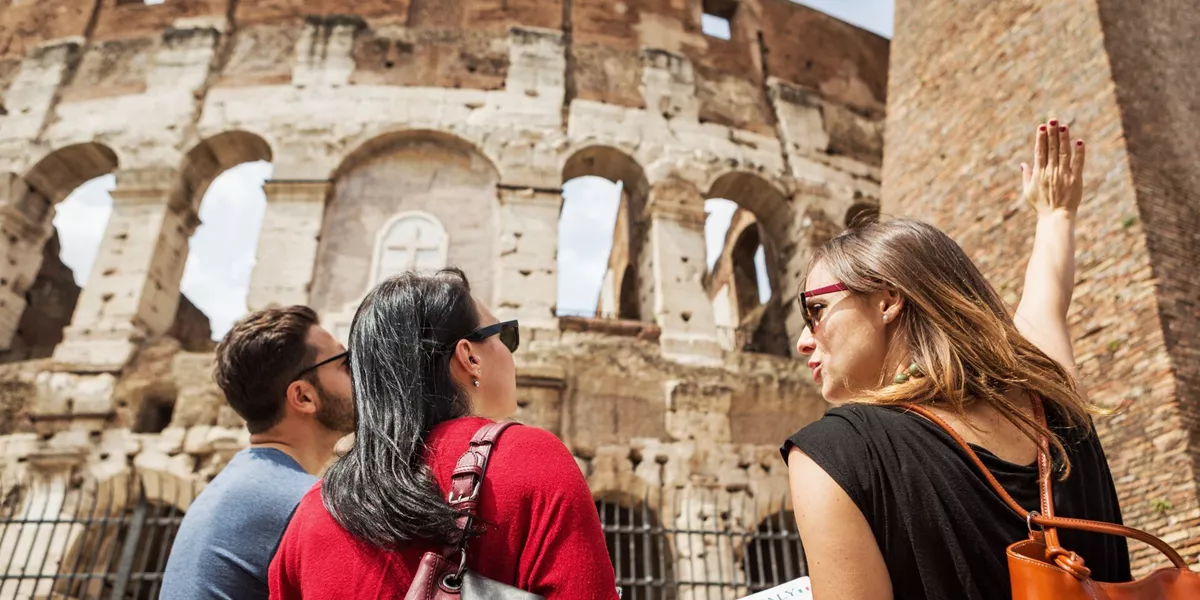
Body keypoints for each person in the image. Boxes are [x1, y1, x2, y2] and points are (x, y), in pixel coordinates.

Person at [782, 120, 1132, 599]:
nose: (804, 339)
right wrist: (1056, 214)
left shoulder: (836, 454)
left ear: (886, 300)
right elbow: (1046, 300)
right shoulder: (1052, 403)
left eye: (815, 308)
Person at [269, 268, 619, 599]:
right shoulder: (530, 457)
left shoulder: (314, 510)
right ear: (470, 357)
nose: (512, 353)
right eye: (505, 336)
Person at [161, 306, 355, 600]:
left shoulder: (233, 487)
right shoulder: (306, 504)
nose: (361, 374)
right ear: (303, 397)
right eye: (345, 363)